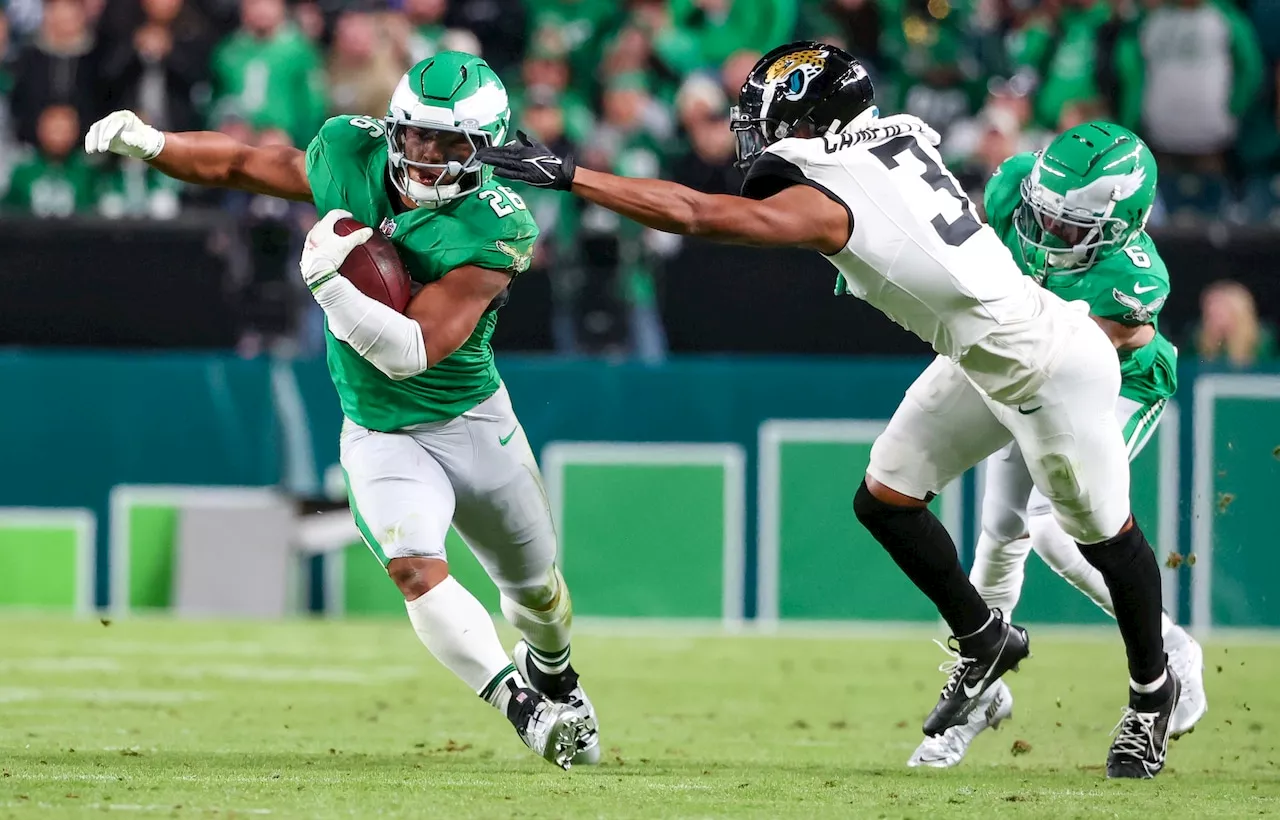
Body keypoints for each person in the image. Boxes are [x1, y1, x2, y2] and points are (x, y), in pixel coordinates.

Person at [480, 41, 1179, 779]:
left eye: (766, 119)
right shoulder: (895, 133)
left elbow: (694, 212)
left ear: (811, 122)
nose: (753, 134)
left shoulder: (830, 199)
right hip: (988, 350)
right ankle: (984, 640)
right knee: (886, 497)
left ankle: (1150, 697)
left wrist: (571, 174)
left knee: (1104, 535)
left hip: (1053, 367)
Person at [84, 52, 598, 770]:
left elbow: (413, 349)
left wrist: (332, 284)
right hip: (382, 432)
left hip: (471, 422)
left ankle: (557, 675)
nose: (427, 156)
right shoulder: (350, 152)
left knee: (538, 594)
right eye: (416, 136)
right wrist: (156, 144)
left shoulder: (496, 223)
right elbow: (243, 165)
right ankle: (522, 706)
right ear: (392, 129)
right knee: (414, 567)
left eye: (451, 144)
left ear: (487, 148)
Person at [908, 123, 1208, 768]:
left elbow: (1074, 361)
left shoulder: (1132, 281)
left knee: (1053, 526)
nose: (1045, 237)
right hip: (1023, 367)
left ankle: (1169, 652)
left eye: (1069, 230)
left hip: (1112, 382)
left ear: (1120, 224)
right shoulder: (1016, 185)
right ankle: (981, 684)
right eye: (1041, 218)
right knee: (1001, 525)